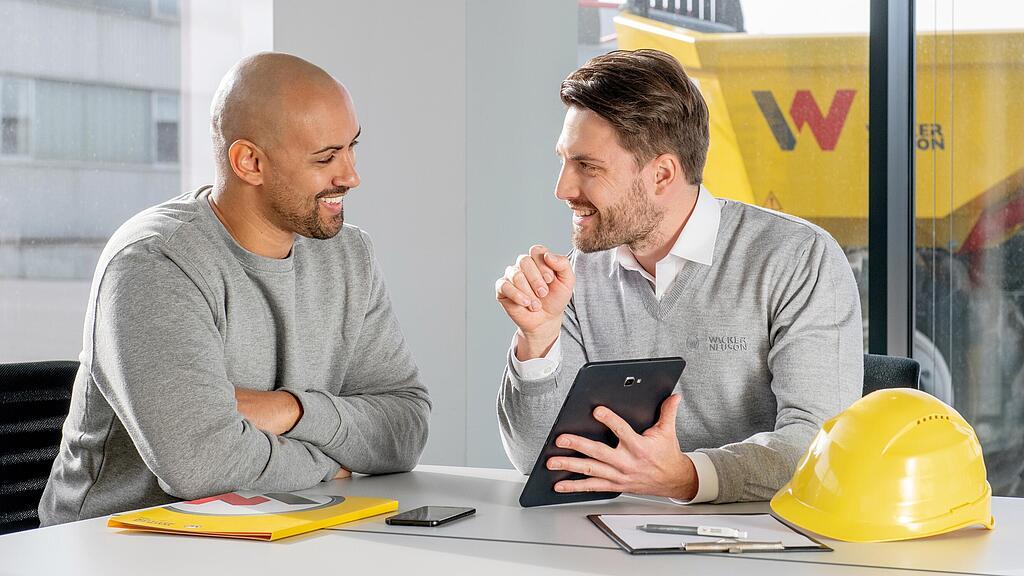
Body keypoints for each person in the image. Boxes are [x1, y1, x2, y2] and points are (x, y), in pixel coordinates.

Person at [39, 53, 431, 525]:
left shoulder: (349, 255)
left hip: (276, 531)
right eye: (326, 157)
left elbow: (403, 429)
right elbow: (205, 467)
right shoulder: (154, 262)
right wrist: (338, 464)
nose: (350, 175)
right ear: (250, 161)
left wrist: (289, 411)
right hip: (120, 546)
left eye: (352, 148)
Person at [495, 49, 862, 504]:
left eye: (587, 166)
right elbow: (540, 460)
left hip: (764, 544)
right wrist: (539, 341)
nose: (562, 189)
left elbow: (821, 446)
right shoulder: (578, 277)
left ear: (662, 174)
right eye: (564, 161)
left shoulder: (797, 259)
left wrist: (689, 477)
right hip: (613, 543)